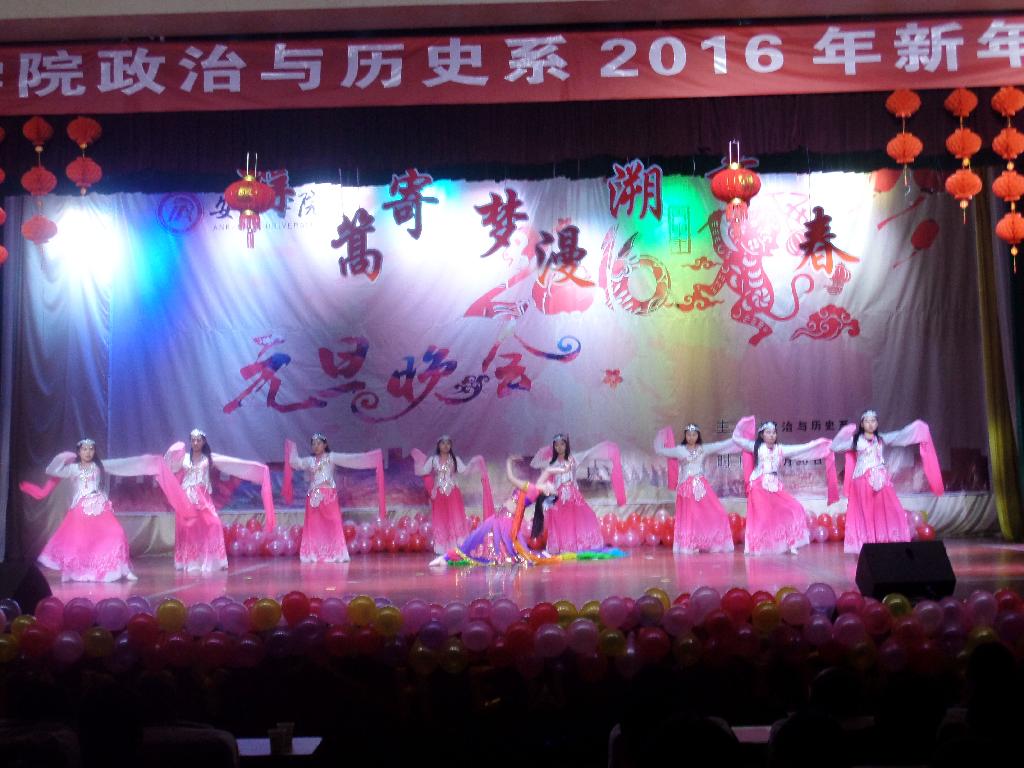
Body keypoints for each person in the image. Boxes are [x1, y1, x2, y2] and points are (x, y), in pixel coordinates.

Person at [22, 439, 140, 582]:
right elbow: (51, 470)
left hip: (99, 505)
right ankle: (74, 571)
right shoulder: (73, 468)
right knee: (79, 541)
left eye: (91, 449)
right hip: (81, 508)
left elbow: (122, 465)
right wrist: (63, 457)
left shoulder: (99, 465)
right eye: (84, 449)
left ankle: (124, 570)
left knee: (117, 533)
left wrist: (148, 465)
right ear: (79, 452)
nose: (88, 452)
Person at [163, 428, 275, 572]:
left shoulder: (208, 458)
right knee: (189, 529)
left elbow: (233, 465)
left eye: (198, 440)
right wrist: (175, 449)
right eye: (193, 440)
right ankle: (192, 561)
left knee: (214, 524)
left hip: (203, 497)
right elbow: (169, 466)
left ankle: (213, 559)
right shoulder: (184, 458)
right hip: (187, 497)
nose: (195, 443)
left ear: (203, 442)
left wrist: (258, 470)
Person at [832, 410, 944, 554]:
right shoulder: (856, 441)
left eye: (873, 421)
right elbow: (834, 447)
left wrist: (917, 429)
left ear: (877, 423)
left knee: (890, 509)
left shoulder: (881, 438)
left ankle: (885, 540)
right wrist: (844, 433)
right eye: (867, 421)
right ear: (862, 424)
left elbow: (901, 436)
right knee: (865, 513)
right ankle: (866, 543)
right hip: (862, 481)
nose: (870, 424)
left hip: (880, 481)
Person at [732, 417, 836, 555]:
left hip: (774, 485)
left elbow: (801, 449)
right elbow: (737, 439)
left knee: (794, 508)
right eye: (768, 432)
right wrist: (742, 425)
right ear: (762, 435)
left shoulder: (780, 449)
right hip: (758, 486)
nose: (772, 435)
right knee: (762, 517)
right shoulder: (756, 447)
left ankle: (791, 542)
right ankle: (755, 546)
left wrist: (816, 444)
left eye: (774, 432)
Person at [285, 432, 385, 563]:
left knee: (333, 522)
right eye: (313, 444)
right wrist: (291, 447)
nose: (316, 446)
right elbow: (295, 462)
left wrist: (372, 458)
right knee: (314, 525)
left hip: (329, 496)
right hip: (314, 498)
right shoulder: (310, 461)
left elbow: (351, 459)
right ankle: (313, 553)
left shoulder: (331, 457)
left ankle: (336, 552)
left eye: (318, 443)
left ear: (325, 444)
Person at [529, 433, 626, 553]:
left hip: (572, 494)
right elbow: (535, 464)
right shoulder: (552, 462)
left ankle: (577, 545)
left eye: (562, 444)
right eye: (556, 445)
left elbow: (588, 455)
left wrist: (604, 450)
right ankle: (563, 546)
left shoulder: (573, 459)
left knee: (581, 517)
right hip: (558, 496)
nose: (559, 447)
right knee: (560, 521)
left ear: (566, 445)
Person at [653, 423, 739, 553]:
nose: (691, 437)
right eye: (689, 434)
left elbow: (720, 446)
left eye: (694, 435)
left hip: (700, 487)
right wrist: (662, 435)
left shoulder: (703, 449)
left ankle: (711, 541)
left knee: (717, 512)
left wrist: (735, 439)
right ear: (685, 436)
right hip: (685, 489)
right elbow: (660, 450)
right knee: (689, 517)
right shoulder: (679, 450)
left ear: (698, 436)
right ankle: (688, 544)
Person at [411, 435, 494, 555]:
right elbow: (423, 471)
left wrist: (474, 462)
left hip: (453, 492)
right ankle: (442, 546)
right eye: (443, 443)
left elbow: (464, 471)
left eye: (448, 443)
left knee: (456, 516)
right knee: (441, 518)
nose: (445, 446)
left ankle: (459, 545)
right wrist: (419, 460)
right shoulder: (433, 460)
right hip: (439, 493)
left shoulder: (455, 459)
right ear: (438, 445)